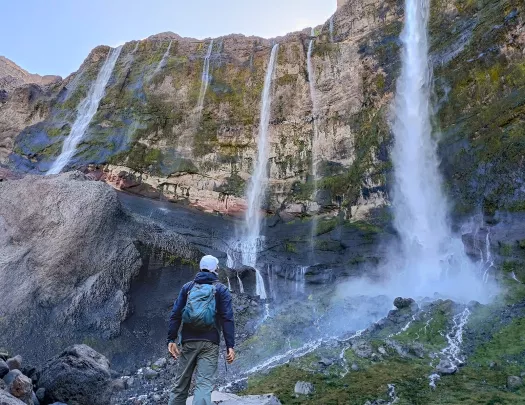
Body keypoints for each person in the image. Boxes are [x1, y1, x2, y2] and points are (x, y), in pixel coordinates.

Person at [167, 255, 236, 405]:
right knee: (204, 386)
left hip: (188, 341)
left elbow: (176, 314)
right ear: (216, 270)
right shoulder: (221, 289)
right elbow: (227, 319)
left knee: (180, 385)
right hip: (210, 343)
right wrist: (230, 345)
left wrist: (171, 339)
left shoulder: (188, 288)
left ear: (200, 268)